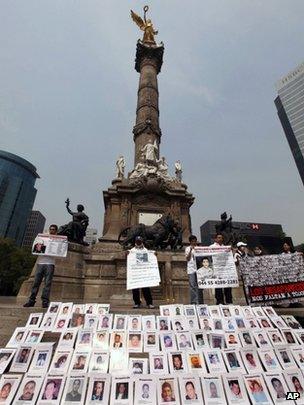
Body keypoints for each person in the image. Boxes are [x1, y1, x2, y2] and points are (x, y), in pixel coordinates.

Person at [23, 224, 59, 308]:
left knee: (47, 283)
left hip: (50, 263)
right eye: (51, 229)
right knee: (36, 282)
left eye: (53, 229)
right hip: (40, 262)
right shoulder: (43, 238)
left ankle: (45, 301)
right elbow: (36, 248)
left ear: (56, 231)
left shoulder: (58, 240)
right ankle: (31, 301)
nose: (52, 231)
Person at [128, 236, 155, 309]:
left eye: (140, 241)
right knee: (135, 289)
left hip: (143, 272)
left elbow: (148, 260)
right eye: (137, 241)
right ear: (135, 242)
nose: (138, 242)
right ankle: (137, 303)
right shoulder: (132, 250)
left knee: (146, 288)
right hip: (135, 272)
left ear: (142, 241)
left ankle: (149, 303)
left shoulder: (145, 250)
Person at [210, 233, 233, 304]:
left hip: (225, 269)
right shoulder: (212, 246)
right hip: (217, 269)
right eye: (218, 237)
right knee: (218, 285)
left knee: (227, 285)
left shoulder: (225, 247)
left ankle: (229, 301)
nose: (220, 239)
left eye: (221, 238)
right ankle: (220, 301)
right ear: (215, 239)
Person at [185, 235, 204, 304]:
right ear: (190, 242)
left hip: (199, 269)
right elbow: (187, 258)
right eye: (193, 241)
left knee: (200, 285)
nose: (194, 242)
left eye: (195, 241)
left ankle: (201, 301)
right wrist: (191, 249)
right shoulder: (187, 248)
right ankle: (194, 302)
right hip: (191, 270)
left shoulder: (199, 248)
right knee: (192, 286)